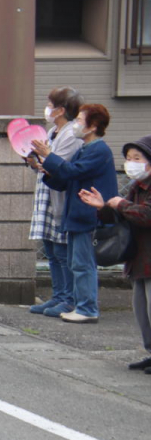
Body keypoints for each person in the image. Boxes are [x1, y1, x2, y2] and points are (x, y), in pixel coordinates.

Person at [33, 104, 118, 323]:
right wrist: (48, 168)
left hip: (88, 215)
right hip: (78, 214)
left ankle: (87, 309)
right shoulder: (85, 148)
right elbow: (67, 178)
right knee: (76, 262)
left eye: (80, 120)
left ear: (93, 126)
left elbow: (73, 171)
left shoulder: (99, 150)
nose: (76, 124)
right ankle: (82, 306)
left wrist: (50, 157)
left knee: (82, 264)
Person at [80, 135, 151, 372]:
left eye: (137, 158)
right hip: (139, 258)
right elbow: (124, 218)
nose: (131, 163)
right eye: (129, 158)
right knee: (141, 309)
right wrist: (104, 207)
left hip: (148, 259)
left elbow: (145, 215)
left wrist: (119, 204)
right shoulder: (135, 187)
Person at [27, 88, 84, 318]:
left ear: (61, 110)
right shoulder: (52, 131)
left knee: (62, 251)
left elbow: (61, 166)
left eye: (50, 104)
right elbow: (45, 162)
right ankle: (58, 295)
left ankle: (68, 299)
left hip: (60, 198)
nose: (47, 108)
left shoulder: (71, 134)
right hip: (46, 195)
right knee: (50, 250)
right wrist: (33, 161)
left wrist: (45, 158)